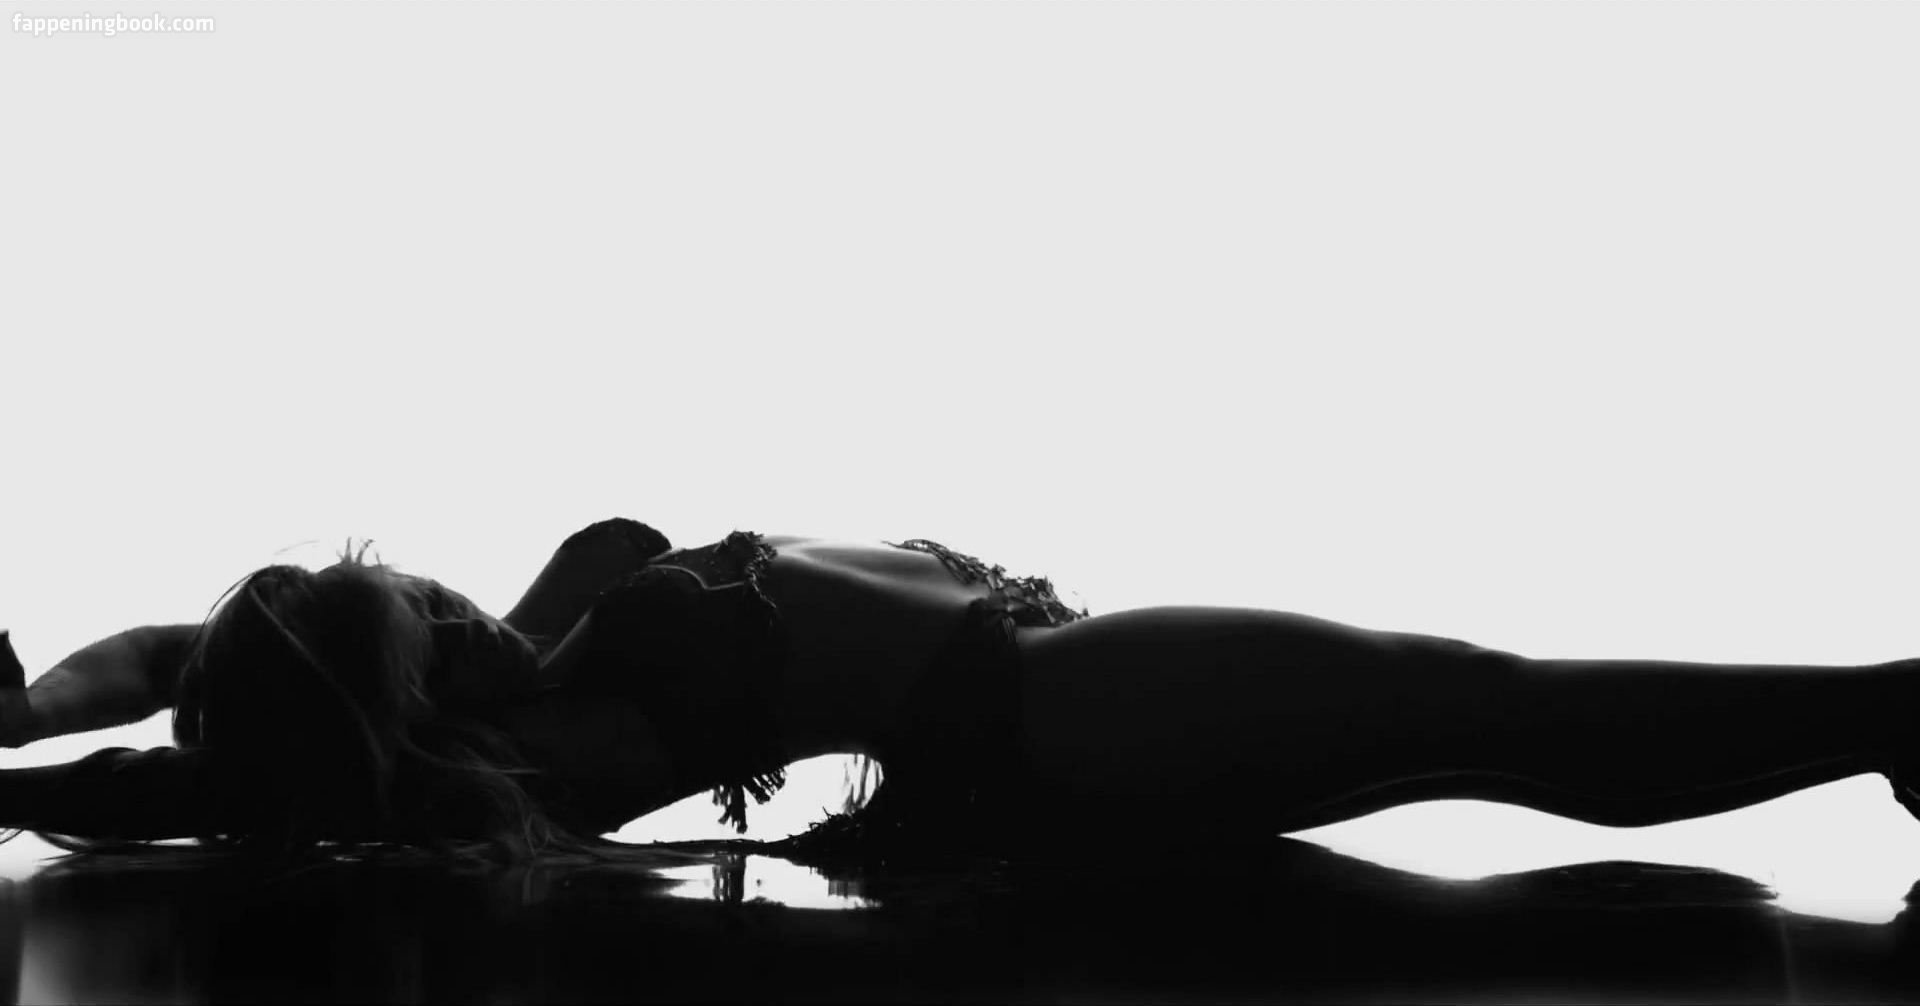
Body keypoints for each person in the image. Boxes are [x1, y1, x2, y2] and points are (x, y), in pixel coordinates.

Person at [2, 517, 1917, 863]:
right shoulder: (545, 744)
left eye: (410, 578)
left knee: (1472, 722)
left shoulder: (556, 619)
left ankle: (1881, 722)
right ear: (402, 693)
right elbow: (211, 757)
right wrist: (28, 784)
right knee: (1481, 709)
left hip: (1055, 676)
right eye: (411, 616)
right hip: (1044, 705)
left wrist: (14, 722)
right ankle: (1891, 711)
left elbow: (172, 659)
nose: (437, 592)